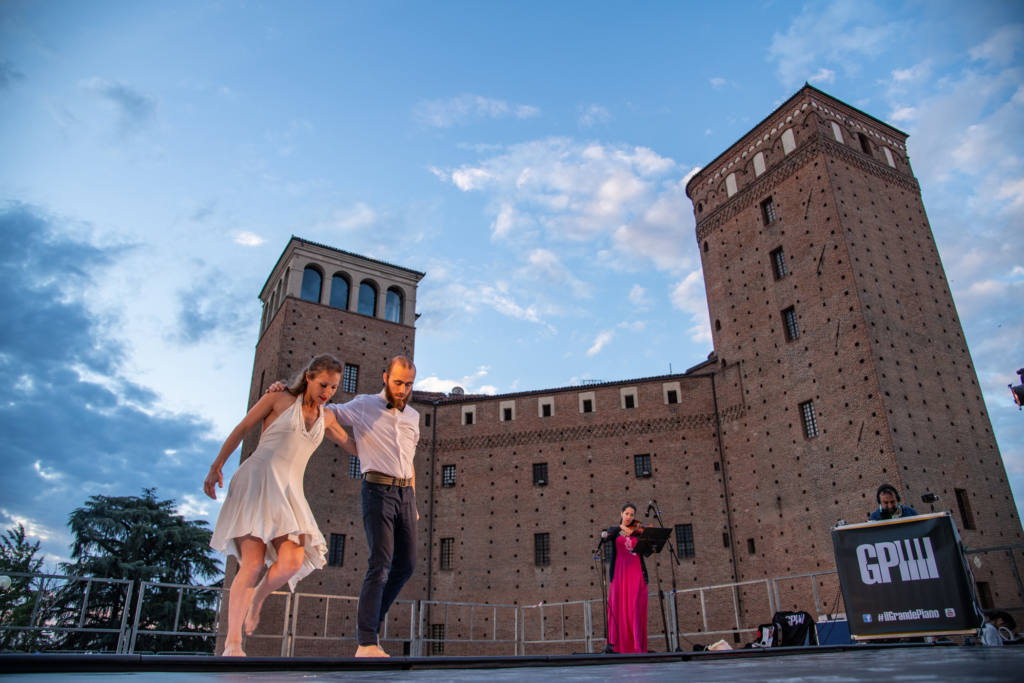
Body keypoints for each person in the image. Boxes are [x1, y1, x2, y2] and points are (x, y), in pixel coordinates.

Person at [204, 354, 355, 657]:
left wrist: (394, 454)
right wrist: (216, 466)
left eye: (334, 388)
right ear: (309, 377)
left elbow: (354, 446)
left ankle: (258, 599)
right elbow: (242, 428)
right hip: (257, 480)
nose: (327, 391)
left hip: (289, 490)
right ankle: (233, 643)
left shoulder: (326, 418)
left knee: (291, 562)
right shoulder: (279, 399)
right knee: (253, 564)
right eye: (323, 384)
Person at [268, 355, 419, 658]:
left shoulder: (413, 416)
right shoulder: (364, 404)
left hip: (405, 494)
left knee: (407, 565)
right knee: (381, 562)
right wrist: (290, 390)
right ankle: (366, 642)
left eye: (409, 384)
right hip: (377, 490)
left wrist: (413, 501)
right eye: (398, 382)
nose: (403, 389)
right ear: (385, 377)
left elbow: (409, 461)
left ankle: (372, 622)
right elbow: (326, 411)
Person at [601, 502, 649, 653]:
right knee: (618, 608)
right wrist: (621, 527)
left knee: (635, 608)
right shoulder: (615, 531)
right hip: (620, 573)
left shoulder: (637, 531)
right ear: (621, 514)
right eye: (627, 514)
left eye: (632, 515)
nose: (629, 517)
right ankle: (618, 647)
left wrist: (640, 530)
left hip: (636, 572)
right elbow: (605, 537)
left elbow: (647, 549)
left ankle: (636, 647)